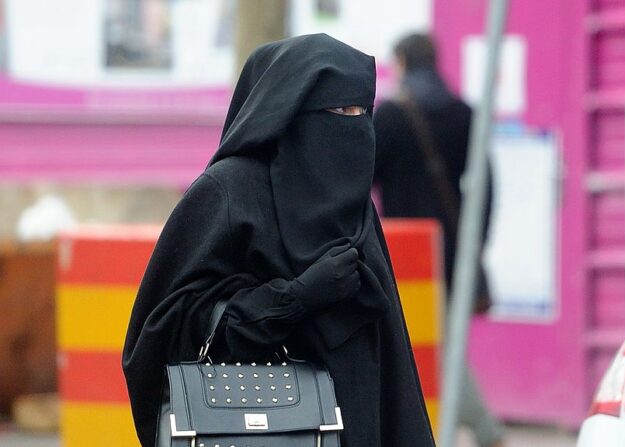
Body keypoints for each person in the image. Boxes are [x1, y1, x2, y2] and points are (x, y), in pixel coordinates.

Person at [122, 34, 436, 447]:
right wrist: (295, 299)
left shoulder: (355, 208)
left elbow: (391, 361)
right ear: (289, 113)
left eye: (363, 111)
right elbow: (163, 332)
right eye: (339, 110)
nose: (354, 125)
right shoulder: (228, 192)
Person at [373, 33, 505, 447]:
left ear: (403, 63)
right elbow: (486, 183)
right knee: (440, 341)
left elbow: (365, 178)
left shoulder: (390, 117)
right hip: (452, 250)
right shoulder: (463, 114)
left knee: (430, 345)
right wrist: (475, 243)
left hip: (404, 250)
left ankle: (482, 429)